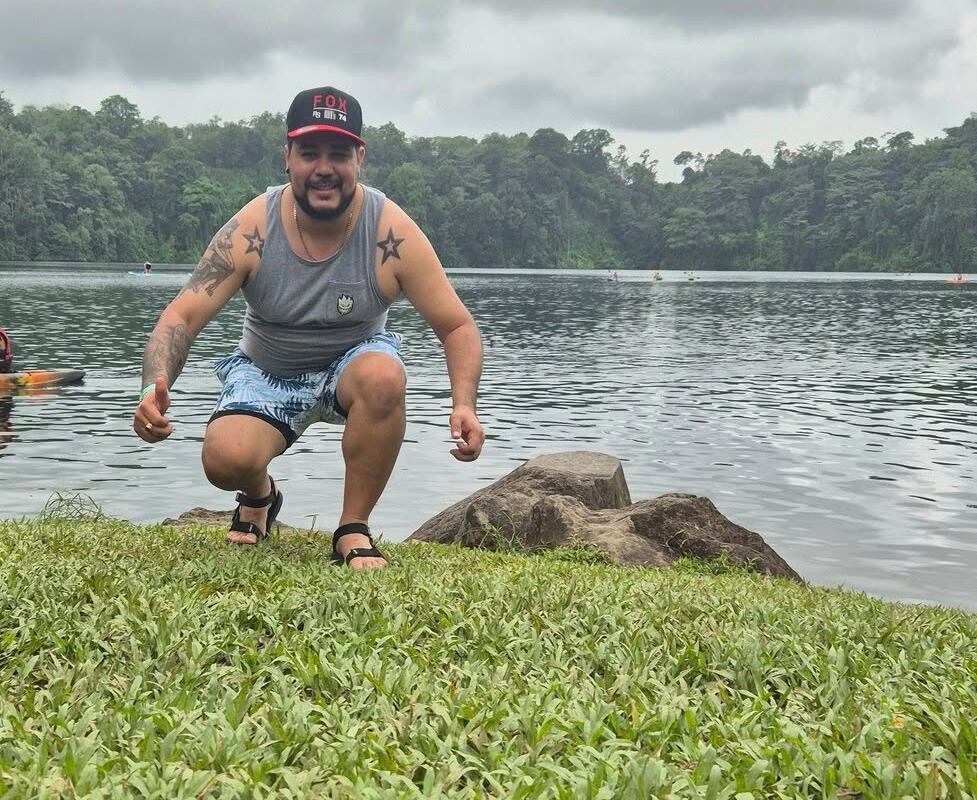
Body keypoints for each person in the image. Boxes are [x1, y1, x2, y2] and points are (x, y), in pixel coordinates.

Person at [132, 86, 484, 570]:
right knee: (224, 460)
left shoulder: (391, 231)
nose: (324, 168)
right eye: (309, 152)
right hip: (265, 372)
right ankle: (260, 496)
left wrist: (464, 404)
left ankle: (352, 528)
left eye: (338, 153)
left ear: (359, 157)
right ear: (288, 157)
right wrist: (154, 385)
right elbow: (181, 317)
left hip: (353, 366)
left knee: (385, 375)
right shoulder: (253, 227)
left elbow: (457, 325)